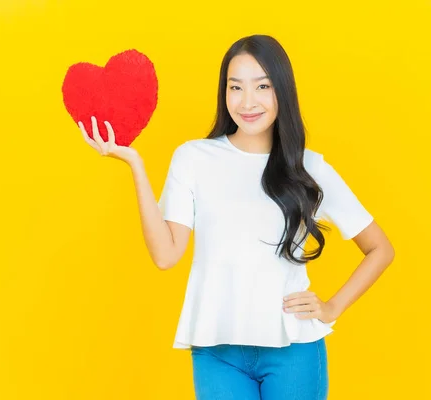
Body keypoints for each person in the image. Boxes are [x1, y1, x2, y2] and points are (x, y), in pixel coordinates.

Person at [78, 34, 395, 400]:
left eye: (262, 86)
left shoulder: (308, 167)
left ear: (282, 92)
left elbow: (380, 249)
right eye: (235, 87)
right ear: (223, 92)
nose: (247, 102)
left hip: (293, 348)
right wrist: (134, 163)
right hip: (217, 351)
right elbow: (166, 256)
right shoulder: (193, 158)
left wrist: (332, 307)